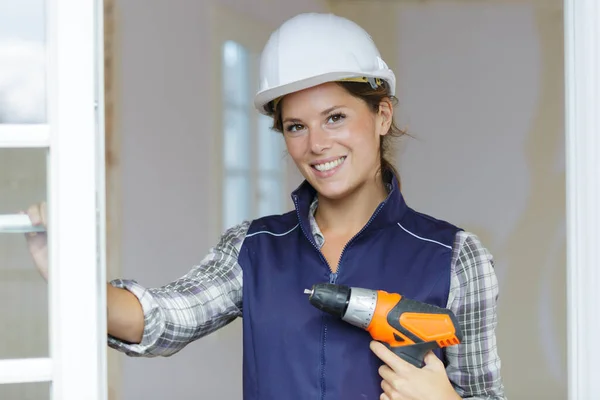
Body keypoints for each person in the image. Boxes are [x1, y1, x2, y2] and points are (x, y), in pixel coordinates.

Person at [24, 12, 505, 400]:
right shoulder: (255, 248)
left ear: (382, 114)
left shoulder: (454, 257)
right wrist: (70, 276)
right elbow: (165, 318)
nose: (317, 144)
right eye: (296, 126)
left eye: (335, 117)